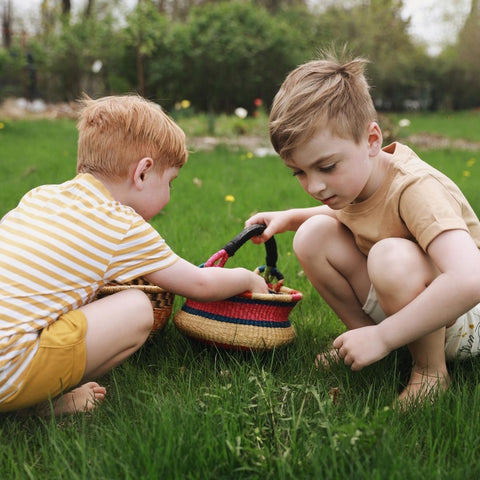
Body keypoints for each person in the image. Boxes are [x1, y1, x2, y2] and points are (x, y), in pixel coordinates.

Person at [0, 94, 268, 416]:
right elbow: (199, 283)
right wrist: (249, 277)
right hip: (10, 372)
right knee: (138, 307)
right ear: (142, 173)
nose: (169, 195)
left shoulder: (40, 196)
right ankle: (37, 407)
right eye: (170, 182)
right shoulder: (121, 224)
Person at [246, 51, 480, 406]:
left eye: (326, 167)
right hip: (415, 303)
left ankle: (431, 373)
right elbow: (358, 213)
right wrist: (291, 217)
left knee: (390, 255)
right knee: (313, 235)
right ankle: (364, 338)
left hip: (465, 321)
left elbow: (470, 279)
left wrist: (387, 335)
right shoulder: (357, 179)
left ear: (372, 140)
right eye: (300, 172)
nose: (315, 186)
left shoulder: (415, 188)